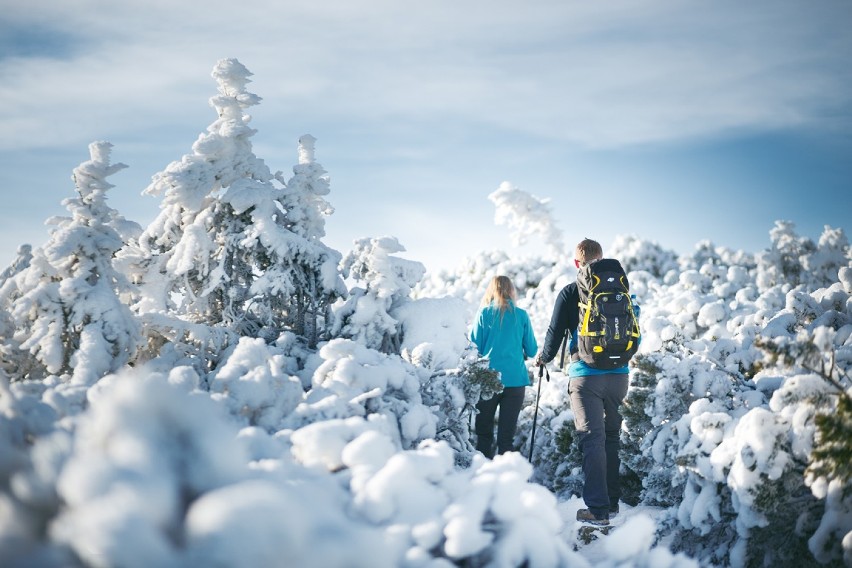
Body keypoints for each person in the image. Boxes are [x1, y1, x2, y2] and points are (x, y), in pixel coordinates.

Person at [534, 238, 632, 526]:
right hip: (619, 375)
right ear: (602, 259)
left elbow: (554, 332)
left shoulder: (569, 291)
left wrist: (544, 358)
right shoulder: (621, 289)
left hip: (585, 377)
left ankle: (598, 510)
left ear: (578, 263)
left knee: (592, 439)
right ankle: (612, 504)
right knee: (612, 438)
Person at [469, 275, 538, 459]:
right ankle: (507, 480)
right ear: (511, 291)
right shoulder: (521, 315)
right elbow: (532, 350)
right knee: (506, 438)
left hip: (488, 380)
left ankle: (481, 475)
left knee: (483, 434)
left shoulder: (484, 314)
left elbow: (473, 348)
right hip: (515, 382)